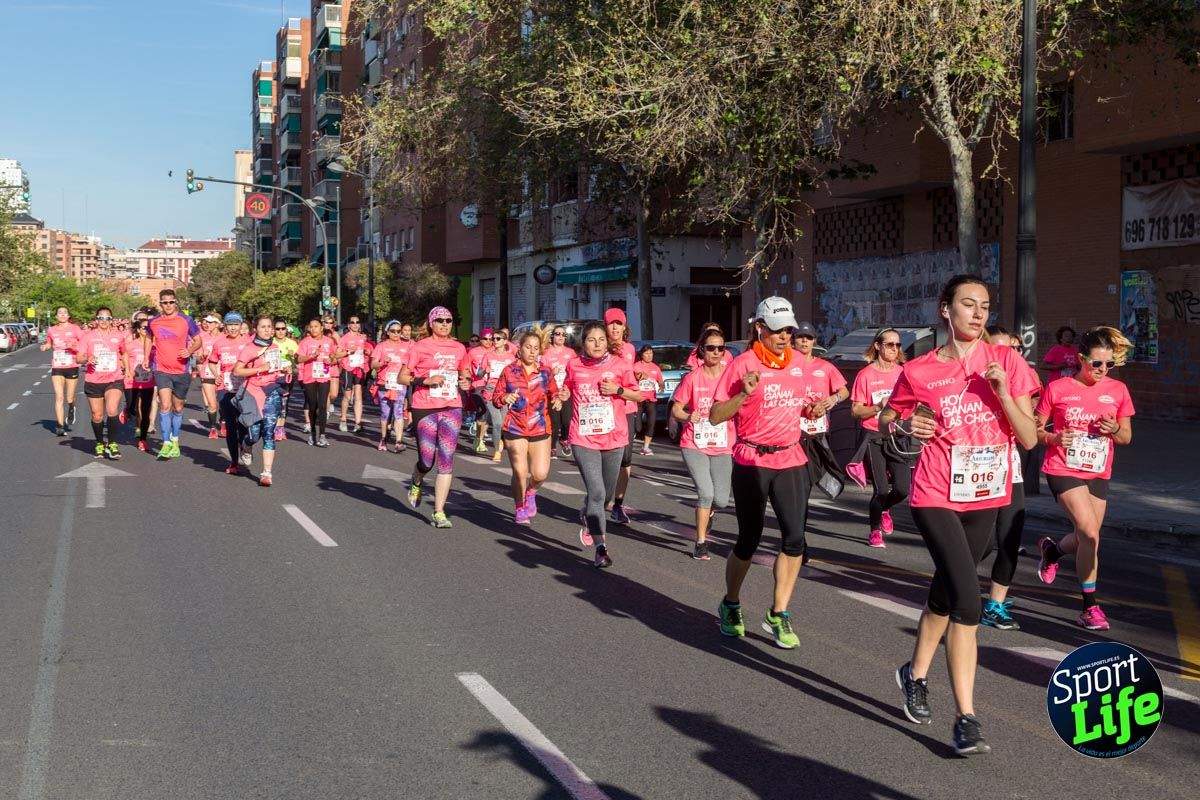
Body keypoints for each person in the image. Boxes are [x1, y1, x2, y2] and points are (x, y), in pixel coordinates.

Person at [879, 275, 1038, 756]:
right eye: (967, 304)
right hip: (935, 493)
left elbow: (1029, 438)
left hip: (986, 494)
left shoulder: (1008, 361)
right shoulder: (921, 370)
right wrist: (908, 422)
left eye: (985, 306)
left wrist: (1005, 393)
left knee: (946, 594)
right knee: (969, 602)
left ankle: (915, 673)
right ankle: (967, 718)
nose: (978, 313)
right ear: (945, 309)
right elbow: (888, 417)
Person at [710, 298, 817, 651]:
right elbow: (715, 416)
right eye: (777, 330)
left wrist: (813, 408)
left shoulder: (801, 363)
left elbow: (802, 404)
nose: (785, 336)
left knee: (794, 540)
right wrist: (743, 393)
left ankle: (778, 612)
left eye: (789, 329)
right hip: (752, 459)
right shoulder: (742, 364)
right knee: (748, 540)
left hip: (791, 458)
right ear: (760, 328)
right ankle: (731, 602)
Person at [1035, 326, 1135, 632]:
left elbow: (1127, 437)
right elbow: (1035, 429)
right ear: (1081, 359)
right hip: (1062, 467)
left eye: (1109, 365)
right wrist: (1053, 437)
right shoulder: (1059, 388)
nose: (1103, 370)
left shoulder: (1117, 391)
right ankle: (1090, 607)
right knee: (1090, 533)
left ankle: (1053, 551)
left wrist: (1113, 430)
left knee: (1084, 536)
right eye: (1096, 364)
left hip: (1097, 470)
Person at [561, 320, 645, 567]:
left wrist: (618, 390)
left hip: (614, 437)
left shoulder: (620, 365)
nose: (597, 344)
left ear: (607, 342)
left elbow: (638, 394)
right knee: (596, 492)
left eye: (601, 339)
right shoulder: (574, 365)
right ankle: (601, 549)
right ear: (583, 343)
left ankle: (588, 511)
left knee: (606, 497)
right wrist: (564, 394)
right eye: (591, 340)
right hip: (583, 437)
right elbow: (566, 386)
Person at [979, 325, 1042, 630]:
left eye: (1013, 350)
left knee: (1009, 538)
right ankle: (954, 587)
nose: (1007, 357)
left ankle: (995, 603)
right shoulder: (970, 378)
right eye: (999, 350)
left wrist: (1008, 396)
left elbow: (1029, 428)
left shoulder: (1018, 377)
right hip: (974, 472)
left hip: (1009, 468)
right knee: (982, 544)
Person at [399, 307, 472, 528]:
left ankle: (439, 511)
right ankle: (417, 478)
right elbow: (402, 377)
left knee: (447, 458)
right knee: (427, 460)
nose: (444, 323)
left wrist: (465, 382)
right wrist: (424, 381)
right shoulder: (420, 347)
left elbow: (465, 373)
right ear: (431, 323)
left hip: (451, 406)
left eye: (448, 320)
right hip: (425, 407)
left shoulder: (459, 348)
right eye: (439, 320)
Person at [671, 328, 734, 561]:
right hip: (694, 442)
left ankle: (709, 514)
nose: (716, 352)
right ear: (702, 350)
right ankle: (700, 542)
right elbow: (676, 408)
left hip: (722, 444)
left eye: (721, 348)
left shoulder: (730, 376)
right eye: (711, 348)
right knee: (706, 493)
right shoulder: (692, 378)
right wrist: (688, 416)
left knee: (721, 499)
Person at [491, 329, 562, 524]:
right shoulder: (509, 371)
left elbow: (554, 393)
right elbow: (496, 398)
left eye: (536, 348)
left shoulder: (545, 372)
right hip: (515, 427)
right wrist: (505, 397)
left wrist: (557, 400)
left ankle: (531, 492)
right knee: (520, 472)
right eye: (528, 347)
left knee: (540, 474)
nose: (532, 352)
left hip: (540, 427)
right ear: (520, 349)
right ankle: (519, 507)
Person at [850, 328, 909, 548]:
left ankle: (885, 508)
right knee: (881, 489)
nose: (895, 349)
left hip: (896, 434)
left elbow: (912, 404)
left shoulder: (903, 373)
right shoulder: (866, 375)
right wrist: (877, 406)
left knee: (903, 489)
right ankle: (874, 531)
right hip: (873, 435)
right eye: (890, 344)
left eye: (898, 345)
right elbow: (855, 411)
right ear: (878, 346)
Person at [227, 316, 290, 485]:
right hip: (254, 393)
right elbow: (237, 371)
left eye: (270, 327)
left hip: (272, 391)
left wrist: (285, 369)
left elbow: (276, 370)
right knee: (254, 434)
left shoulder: (275, 347)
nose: (268, 330)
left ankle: (266, 473)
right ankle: (246, 446)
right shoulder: (249, 348)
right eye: (263, 327)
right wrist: (260, 368)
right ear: (256, 329)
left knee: (269, 432)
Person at [145, 289, 201, 459]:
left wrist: (189, 350)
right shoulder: (154, 322)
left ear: (175, 302)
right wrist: (146, 358)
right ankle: (166, 443)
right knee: (165, 405)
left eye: (171, 302)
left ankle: (175, 439)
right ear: (160, 303)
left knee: (178, 407)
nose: (168, 305)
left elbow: (198, 341)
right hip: (162, 369)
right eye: (164, 302)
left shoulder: (186, 320)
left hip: (181, 371)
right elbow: (148, 338)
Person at [603, 308, 639, 522]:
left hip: (626, 409)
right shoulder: (598, 346)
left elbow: (628, 377)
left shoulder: (630, 349)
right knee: (605, 458)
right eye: (611, 323)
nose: (615, 328)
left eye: (619, 324)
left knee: (625, 459)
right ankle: (599, 497)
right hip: (605, 410)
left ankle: (618, 504)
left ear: (625, 327)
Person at [76, 307, 126, 459]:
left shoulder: (118, 335)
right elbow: (79, 358)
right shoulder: (88, 336)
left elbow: (124, 352)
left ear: (112, 320)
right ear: (96, 320)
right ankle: (99, 442)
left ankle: (112, 443)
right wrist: (87, 359)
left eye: (107, 318)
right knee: (97, 416)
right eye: (101, 318)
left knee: (112, 410)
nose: (104, 321)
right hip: (94, 380)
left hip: (114, 378)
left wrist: (126, 367)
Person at [792, 322, 849, 442]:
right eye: (800, 337)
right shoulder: (786, 366)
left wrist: (834, 399)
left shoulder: (825, 366)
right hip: (791, 428)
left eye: (809, 337)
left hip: (819, 428)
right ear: (793, 341)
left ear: (814, 341)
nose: (804, 340)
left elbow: (844, 392)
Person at [296, 318, 341, 447]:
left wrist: (330, 361)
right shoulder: (305, 342)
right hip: (309, 377)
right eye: (311, 326)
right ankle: (313, 434)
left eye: (316, 326)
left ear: (322, 328)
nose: (313, 329)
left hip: (324, 377)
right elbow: (298, 359)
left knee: (322, 406)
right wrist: (311, 356)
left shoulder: (329, 341)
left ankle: (322, 435)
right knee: (313, 406)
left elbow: (334, 358)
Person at [371, 320, 413, 452]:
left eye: (398, 331)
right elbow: (373, 364)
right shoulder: (381, 346)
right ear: (388, 332)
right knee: (385, 413)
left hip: (400, 383)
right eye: (393, 331)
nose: (396, 334)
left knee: (399, 411)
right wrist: (383, 362)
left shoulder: (407, 347)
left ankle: (398, 442)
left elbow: (412, 364)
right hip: (384, 383)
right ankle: (383, 439)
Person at [42, 306, 83, 436]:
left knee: (69, 397)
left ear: (68, 315)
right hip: (57, 366)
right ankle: (60, 426)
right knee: (59, 397)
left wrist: (74, 346)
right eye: (60, 313)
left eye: (65, 312)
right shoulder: (52, 330)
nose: (62, 314)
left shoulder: (75, 328)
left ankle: (72, 407)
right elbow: (49, 343)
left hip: (72, 365)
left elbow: (84, 344)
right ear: (56, 316)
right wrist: (45, 346)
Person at [541, 326, 577, 458]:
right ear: (552, 336)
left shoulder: (571, 353)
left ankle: (564, 439)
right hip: (552, 392)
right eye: (557, 334)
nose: (561, 337)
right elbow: (541, 373)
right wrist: (551, 372)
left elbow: (575, 371)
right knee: (555, 421)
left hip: (566, 391)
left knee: (567, 421)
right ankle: (552, 446)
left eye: (563, 335)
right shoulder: (546, 353)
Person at [123, 317, 155, 452]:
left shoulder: (154, 345)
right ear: (138, 330)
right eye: (144, 328)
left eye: (149, 328)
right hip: (132, 380)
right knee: (134, 408)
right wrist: (128, 370)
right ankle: (127, 410)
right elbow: (123, 356)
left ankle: (142, 439)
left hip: (148, 381)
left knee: (145, 410)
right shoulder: (132, 344)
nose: (147, 330)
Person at [338, 315, 372, 433]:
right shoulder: (344, 338)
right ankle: (343, 419)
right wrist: (348, 352)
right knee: (348, 396)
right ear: (349, 325)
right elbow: (337, 354)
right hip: (348, 368)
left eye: (357, 322)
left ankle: (358, 423)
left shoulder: (363, 338)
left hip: (360, 368)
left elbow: (367, 351)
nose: (355, 324)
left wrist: (366, 352)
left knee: (358, 395)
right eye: (353, 322)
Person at [467, 328, 498, 454]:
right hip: (478, 385)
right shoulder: (473, 352)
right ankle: (479, 438)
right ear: (480, 339)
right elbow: (466, 368)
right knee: (483, 410)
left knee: (487, 415)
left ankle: (479, 438)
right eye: (486, 338)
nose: (489, 341)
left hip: (492, 386)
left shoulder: (496, 352)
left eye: (491, 339)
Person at [632, 345, 664, 455]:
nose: (649, 355)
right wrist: (640, 375)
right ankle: (633, 436)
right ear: (642, 355)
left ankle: (646, 447)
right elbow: (635, 376)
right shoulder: (636, 365)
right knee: (638, 426)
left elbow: (660, 382)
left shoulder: (656, 368)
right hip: (638, 398)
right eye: (647, 353)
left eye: (651, 353)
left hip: (652, 399)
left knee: (651, 423)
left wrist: (661, 386)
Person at [197, 314, 222, 438]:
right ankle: (213, 427)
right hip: (207, 371)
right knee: (212, 404)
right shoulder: (202, 337)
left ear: (217, 324)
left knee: (223, 402)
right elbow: (198, 356)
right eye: (207, 322)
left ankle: (223, 422)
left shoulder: (224, 337)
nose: (208, 324)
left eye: (211, 322)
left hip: (222, 372)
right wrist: (202, 356)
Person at [274, 321, 300, 441]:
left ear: (286, 330)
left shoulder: (292, 344)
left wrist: (292, 364)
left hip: (287, 377)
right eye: (277, 329)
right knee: (273, 402)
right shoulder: (270, 343)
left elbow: (297, 363)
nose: (280, 331)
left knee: (284, 402)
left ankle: (280, 428)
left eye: (282, 329)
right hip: (272, 377)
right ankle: (272, 425)